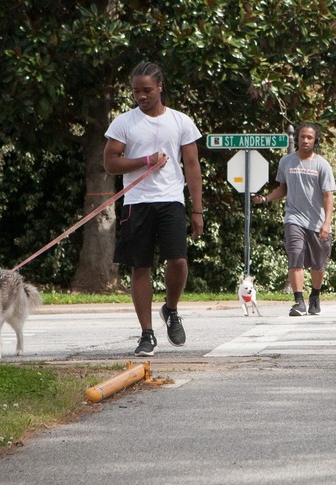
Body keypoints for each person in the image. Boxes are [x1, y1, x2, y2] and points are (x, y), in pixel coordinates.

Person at [103, 62, 204, 357]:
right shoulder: (124, 123)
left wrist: (197, 210)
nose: (141, 96)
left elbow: (192, 166)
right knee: (140, 266)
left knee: (178, 261)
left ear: (160, 87)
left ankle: (171, 309)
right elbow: (110, 163)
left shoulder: (181, 121)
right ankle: (147, 334)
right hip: (137, 201)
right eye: (136, 91)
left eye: (147, 90)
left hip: (171, 199)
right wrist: (145, 161)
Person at [251, 122, 335, 317]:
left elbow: (328, 196)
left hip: (317, 222)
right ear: (297, 138)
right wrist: (265, 199)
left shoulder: (322, 165)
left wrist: (327, 223)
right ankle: (299, 302)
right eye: (302, 136)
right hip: (294, 218)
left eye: (309, 137)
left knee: (318, 264)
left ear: (315, 140)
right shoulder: (286, 162)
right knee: (295, 255)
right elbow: (283, 188)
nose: (305, 140)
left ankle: (315, 296)